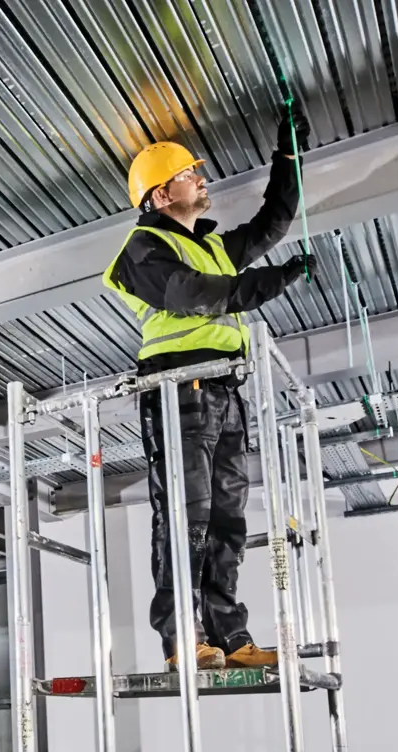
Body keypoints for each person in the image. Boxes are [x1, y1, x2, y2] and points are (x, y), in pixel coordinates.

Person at [102, 116, 316, 671]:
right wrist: (271, 282)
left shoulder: (214, 247)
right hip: (179, 390)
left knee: (227, 521)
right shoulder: (143, 248)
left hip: (224, 390)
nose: (202, 179)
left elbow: (272, 223)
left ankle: (229, 636)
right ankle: (182, 640)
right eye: (188, 174)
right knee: (185, 516)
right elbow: (190, 294)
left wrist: (288, 159)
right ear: (158, 194)